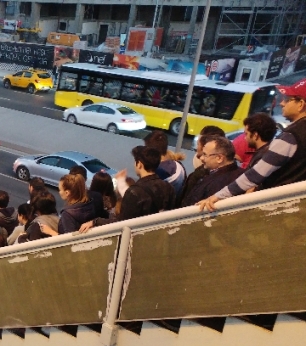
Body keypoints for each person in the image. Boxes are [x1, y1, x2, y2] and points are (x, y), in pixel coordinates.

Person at [199, 79, 306, 211]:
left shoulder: (291, 137)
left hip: (276, 208)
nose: (282, 103)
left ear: (301, 104)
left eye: (288, 99)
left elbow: (254, 176)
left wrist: (218, 196)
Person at [80, 146, 175, 232]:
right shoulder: (168, 187)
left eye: (135, 162)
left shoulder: (135, 192)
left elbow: (121, 223)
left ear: (139, 164)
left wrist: (96, 221)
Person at [181, 136, 244, 207]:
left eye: (205, 155)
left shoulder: (218, 184)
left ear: (219, 158)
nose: (201, 158)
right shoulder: (241, 175)